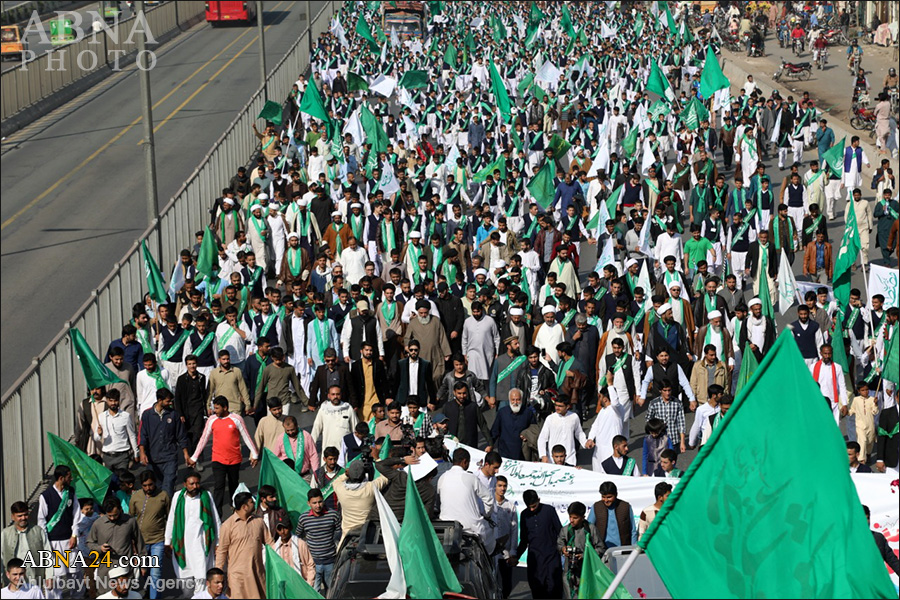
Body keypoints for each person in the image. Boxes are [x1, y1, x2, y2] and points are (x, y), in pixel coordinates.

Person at [189, 396, 259, 515]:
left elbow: (246, 436)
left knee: (233, 486)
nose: (214, 411)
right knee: (219, 487)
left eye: (217, 408)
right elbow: (203, 439)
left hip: (234, 460)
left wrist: (255, 454)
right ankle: (217, 515)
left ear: (225, 408)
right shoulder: (211, 420)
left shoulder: (237, 419)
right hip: (218, 459)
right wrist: (194, 457)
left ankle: (235, 512)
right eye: (214, 408)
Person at [165, 471, 220, 595]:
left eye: (197, 483)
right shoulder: (177, 497)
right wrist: (167, 542)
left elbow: (215, 519)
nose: (195, 486)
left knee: (201, 576)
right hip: (182, 544)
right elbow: (172, 519)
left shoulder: (206, 496)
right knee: (185, 584)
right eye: (192, 484)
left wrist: (218, 541)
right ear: (185, 484)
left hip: (200, 545)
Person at [438, 448, 496, 554]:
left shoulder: (442, 477)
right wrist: (486, 514)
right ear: (465, 462)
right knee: (491, 534)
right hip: (470, 528)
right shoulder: (471, 478)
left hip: (446, 526)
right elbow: (489, 499)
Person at [215, 492, 272, 599]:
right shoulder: (228, 526)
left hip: (257, 574)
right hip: (238, 578)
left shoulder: (259, 522)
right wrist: (218, 573)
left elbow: (271, 544)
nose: (254, 504)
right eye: (251, 502)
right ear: (244, 507)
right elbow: (222, 551)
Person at [87, 498, 144, 595]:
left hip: (124, 567)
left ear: (120, 509)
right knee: (104, 594)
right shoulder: (98, 524)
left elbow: (139, 543)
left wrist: (143, 564)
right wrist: (99, 548)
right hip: (105, 568)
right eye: (110, 516)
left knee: (125, 594)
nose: (113, 518)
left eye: (115, 515)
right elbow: (89, 543)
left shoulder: (130, 521)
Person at [128, 471, 170, 599]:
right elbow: (131, 519)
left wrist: (169, 541)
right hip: (141, 543)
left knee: (156, 573)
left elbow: (170, 518)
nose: (148, 488)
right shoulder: (135, 497)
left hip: (158, 540)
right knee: (144, 572)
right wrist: (132, 541)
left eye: (150, 485)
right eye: (145, 485)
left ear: (155, 483)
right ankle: (149, 590)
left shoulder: (163, 496)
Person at [515, 490, 563, 599]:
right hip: (535, 560)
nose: (532, 509)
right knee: (537, 590)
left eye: (534, 506)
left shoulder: (549, 511)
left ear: (539, 500)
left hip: (551, 558)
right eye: (529, 507)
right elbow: (524, 539)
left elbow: (560, 532)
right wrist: (516, 556)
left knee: (554, 589)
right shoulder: (524, 515)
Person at [294, 489, 341, 593]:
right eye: (314, 503)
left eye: (320, 502)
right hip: (312, 563)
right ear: (308, 503)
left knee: (332, 591)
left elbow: (339, 533)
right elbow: (298, 537)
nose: (318, 505)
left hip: (330, 561)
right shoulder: (303, 518)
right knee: (314, 591)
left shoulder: (333, 515)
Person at [330, 460, 390, 541]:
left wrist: (345, 474)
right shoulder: (371, 487)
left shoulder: (340, 489)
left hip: (347, 536)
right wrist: (378, 459)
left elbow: (335, 481)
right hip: (368, 533)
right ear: (364, 475)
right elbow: (385, 476)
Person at [557, 502, 604, 599]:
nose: (571, 520)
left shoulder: (591, 529)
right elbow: (559, 543)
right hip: (569, 573)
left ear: (583, 517)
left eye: (575, 518)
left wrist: (585, 555)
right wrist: (563, 549)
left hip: (587, 572)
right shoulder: (565, 530)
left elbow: (600, 548)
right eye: (570, 517)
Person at [1, 502, 50, 590]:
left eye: (25, 515)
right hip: (13, 581)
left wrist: (50, 576)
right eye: (19, 516)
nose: (23, 518)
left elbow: (47, 554)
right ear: (13, 517)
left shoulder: (38, 531)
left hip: (34, 579)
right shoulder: (5, 534)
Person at [312, 385, 359, 462]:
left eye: (338, 394)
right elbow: (316, 428)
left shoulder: (348, 408)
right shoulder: (324, 409)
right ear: (329, 396)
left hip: (345, 449)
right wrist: (312, 445)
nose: (335, 396)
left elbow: (355, 428)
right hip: (328, 449)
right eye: (333, 394)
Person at [537, 395, 588, 465]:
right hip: (553, 459)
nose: (557, 408)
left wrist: (585, 443)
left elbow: (579, 433)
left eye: (560, 406)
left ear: (567, 406)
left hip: (570, 458)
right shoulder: (550, 418)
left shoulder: (574, 417)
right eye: (556, 405)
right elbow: (542, 438)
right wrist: (543, 455)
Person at [490, 388, 537, 460]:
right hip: (505, 454)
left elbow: (534, 429)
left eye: (518, 399)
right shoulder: (502, 413)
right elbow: (495, 431)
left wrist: (527, 434)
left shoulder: (528, 413)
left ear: (521, 399)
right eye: (513, 399)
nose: (515, 402)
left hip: (523, 454)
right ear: (509, 400)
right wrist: (490, 444)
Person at [587, 481, 637, 548]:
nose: (606, 500)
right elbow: (589, 529)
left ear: (616, 494)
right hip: (601, 550)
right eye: (603, 497)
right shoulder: (596, 507)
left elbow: (633, 531)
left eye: (609, 497)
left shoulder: (625, 507)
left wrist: (633, 549)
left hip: (622, 549)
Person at [271, 518, 315, 587]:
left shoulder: (300, 544)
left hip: (300, 585)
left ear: (290, 527)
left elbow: (310, 565)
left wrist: (309, 584)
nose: (282, 532)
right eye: (279, 529)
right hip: (284, 586)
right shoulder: (274, 549)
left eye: (285, 528)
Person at [493, 476, 518, 599]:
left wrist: (513, 552)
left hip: (506, 552)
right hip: (492, 551)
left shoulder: (510, 506)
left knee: (507, 584)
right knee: (491, 582)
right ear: (494, 486)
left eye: (504, 486)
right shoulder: (489, 504)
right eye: (500, 485)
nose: (502, 488)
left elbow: (514, 530)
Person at [863, 505, 900, 574]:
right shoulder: (847, 541)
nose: (866, 521)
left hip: (875, 581)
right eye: (862, 519)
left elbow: (893, 561)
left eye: (867, 518)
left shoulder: (878, 538)